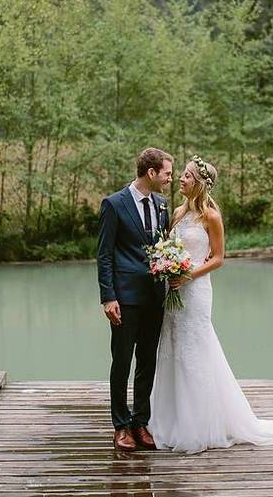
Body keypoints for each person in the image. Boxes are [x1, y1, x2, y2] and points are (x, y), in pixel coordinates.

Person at [149, 156, 273, 453]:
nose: (181, 179)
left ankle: (200, 424)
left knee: (195, 349)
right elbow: (167, 248)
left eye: (188, 176)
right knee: (172, 347)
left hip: (196, 290)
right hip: (172, 289)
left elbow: (218, 258)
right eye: (182, 175)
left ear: (200, 183)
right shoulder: (176, 212)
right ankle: (168, 418)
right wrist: (167, 267)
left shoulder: (211, 217)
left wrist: (188, 274)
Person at [96, 148, 173, 451]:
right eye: (166, 173)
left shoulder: (163, 205)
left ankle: (141, 422)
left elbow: (164, 247)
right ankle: (120, 425)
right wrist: (108, 297)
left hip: (155, 296)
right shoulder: (114, 204)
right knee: (122, 361)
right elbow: (103, 256)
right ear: (151, 173)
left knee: (147, 362)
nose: (169, 179)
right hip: (124, 298)